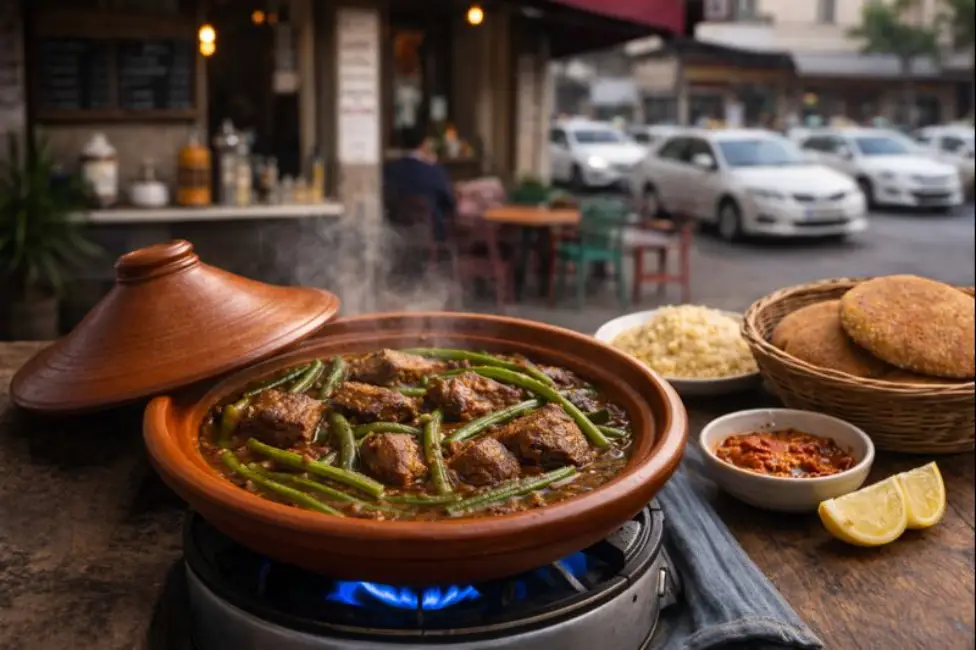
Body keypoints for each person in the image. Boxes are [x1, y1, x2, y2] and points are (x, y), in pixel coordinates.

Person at [383, 130, 456, 241]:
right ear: (423, 144)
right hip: (432, 233)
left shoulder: (389, 170)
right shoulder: (434, 171)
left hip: (395, 230)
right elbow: (449, 202)